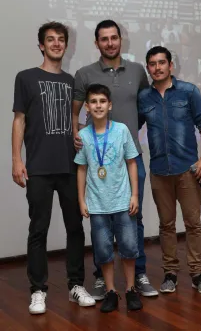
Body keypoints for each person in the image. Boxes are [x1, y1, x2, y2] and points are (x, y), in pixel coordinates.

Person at [12, 21, 96, 315]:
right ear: (41, 45)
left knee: (75, 228)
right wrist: (16, 160)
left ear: (66, 45)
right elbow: (19, 120)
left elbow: (74, 123)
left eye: (61, 39)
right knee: (39, 229)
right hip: (38, 168)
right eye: (51, 39)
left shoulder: (73, 81)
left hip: (71, 167)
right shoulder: (25, 77)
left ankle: (76, 285)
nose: (57, 43)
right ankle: (38, 290)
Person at [73, 19, 158, 300]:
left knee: (135, 216)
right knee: (101, 223)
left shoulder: (137, 71)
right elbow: (75, 113)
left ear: (120, 39)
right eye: (104, 38)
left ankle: (139, 274)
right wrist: (76, 135)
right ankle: (102, 278)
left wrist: (129, 136)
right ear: (96, 43)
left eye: (114, 37)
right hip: (98, 165)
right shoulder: (84, 74)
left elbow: (144, 109)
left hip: (130, 159)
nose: (110, 42)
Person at [138, 46, 201, 295]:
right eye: (152, 64)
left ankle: (198, 273)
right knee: (166, 225)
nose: (157, 67)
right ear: (148, 68)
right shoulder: (143, 98)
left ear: (171, 65)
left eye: (162, 62)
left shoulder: (188, 91)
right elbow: (130, 128)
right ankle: (170, 273)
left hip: (188, 169)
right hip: (159, 171)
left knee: (193, 224)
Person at [74, 83, 143, 313]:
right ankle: (111, 291)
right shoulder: (83, 135)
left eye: (102, 101)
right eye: (93, 102)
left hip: (123, 201)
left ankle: (131, 289)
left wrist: (134, 194)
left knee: (129, 247)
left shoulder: (121, 130)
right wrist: (82, 200)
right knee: (103, 250)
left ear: (110, 105)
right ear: (87, 106)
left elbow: (132, 162)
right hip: (97, 205)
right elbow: (82, 169)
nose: (98, 105)